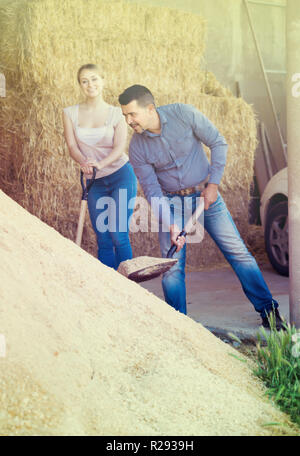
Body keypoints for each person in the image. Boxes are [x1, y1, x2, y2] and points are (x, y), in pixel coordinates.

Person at [118, 84, 285, 330]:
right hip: (171, 202)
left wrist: (214, 185)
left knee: (239, 254)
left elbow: (218, 142)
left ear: (150, 108)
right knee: (172, 268)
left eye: (132, 114)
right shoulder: (137, 147)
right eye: (125, 116)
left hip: (207, 198)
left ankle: (270, 314)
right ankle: (181, 327)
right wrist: (172, 225)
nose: (128, 121)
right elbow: (152, 191)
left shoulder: (183, 114)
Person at [63, 64, 137, 270]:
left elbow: (119, 147)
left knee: (118, 233)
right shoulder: (69, 113)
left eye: (94, 79)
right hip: (93, 181)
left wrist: (100, 164)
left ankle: (129, 286)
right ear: (79, 85)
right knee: (103, 237)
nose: (90, 84)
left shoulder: (116, 113)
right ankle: (110, 288)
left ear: (103, 81)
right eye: (84, 81)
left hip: (120, 175)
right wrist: (83, 162)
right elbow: (71, 145)